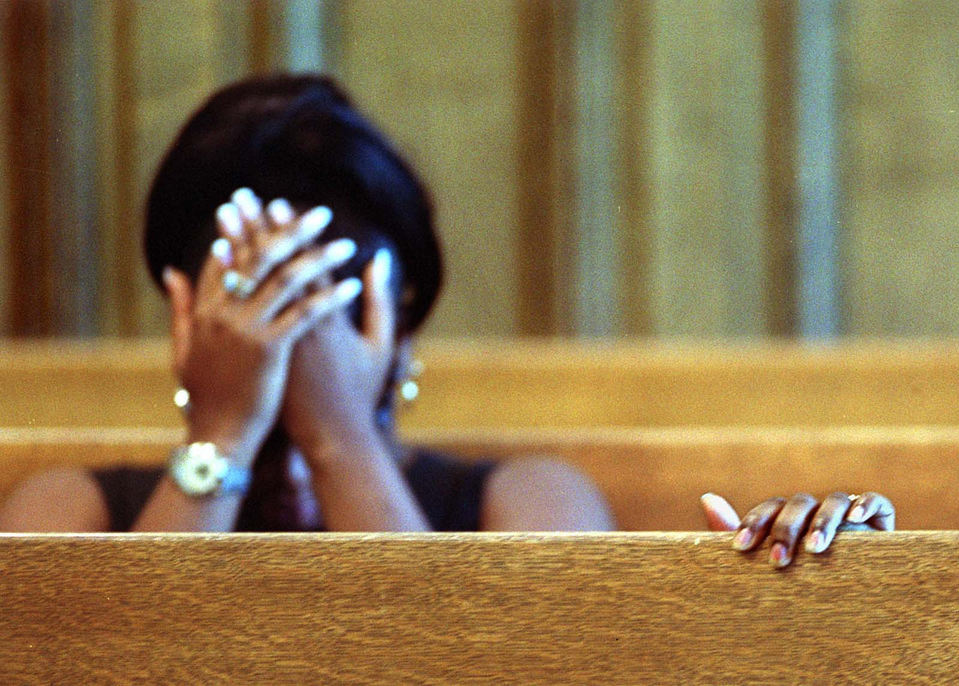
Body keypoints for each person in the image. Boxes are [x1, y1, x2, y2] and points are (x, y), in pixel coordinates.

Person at [0, 74, 894, 567]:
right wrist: (224, 436)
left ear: (400, 333)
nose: (293, 355)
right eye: (258, 323)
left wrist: (340, 437)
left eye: (321, 331)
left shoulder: (528, 503)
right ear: (191, 330)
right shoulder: (68, 513)